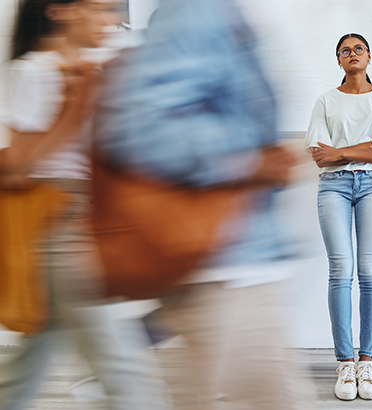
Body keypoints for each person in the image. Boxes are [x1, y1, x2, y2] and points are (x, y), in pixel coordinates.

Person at [95, 0, 315, 409]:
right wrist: (248, 157)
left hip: (242, 256)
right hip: (222, 259)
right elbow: (138, 130)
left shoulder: (220, 10)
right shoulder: (194, 10)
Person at [0, 1, 170, 409]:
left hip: (87, 221)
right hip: (57, 224)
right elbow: (15, 167)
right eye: (98, 9)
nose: (110, 20)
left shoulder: (95, 69)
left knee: (29, 362)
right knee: (124, 370)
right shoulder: (34, 70)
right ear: (60, 10)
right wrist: (74, 110)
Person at [304, 33, 372, 401]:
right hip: (332, 186)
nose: (352, 54)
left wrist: (343, 152)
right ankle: (345, 362)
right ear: (338, 60)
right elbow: (320, 156)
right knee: (340, 271)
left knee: (370, 272)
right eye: (344, 50)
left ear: (369, 55)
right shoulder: (326, 101)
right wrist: (371, 146)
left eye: (357, 48)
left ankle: (367, 360)